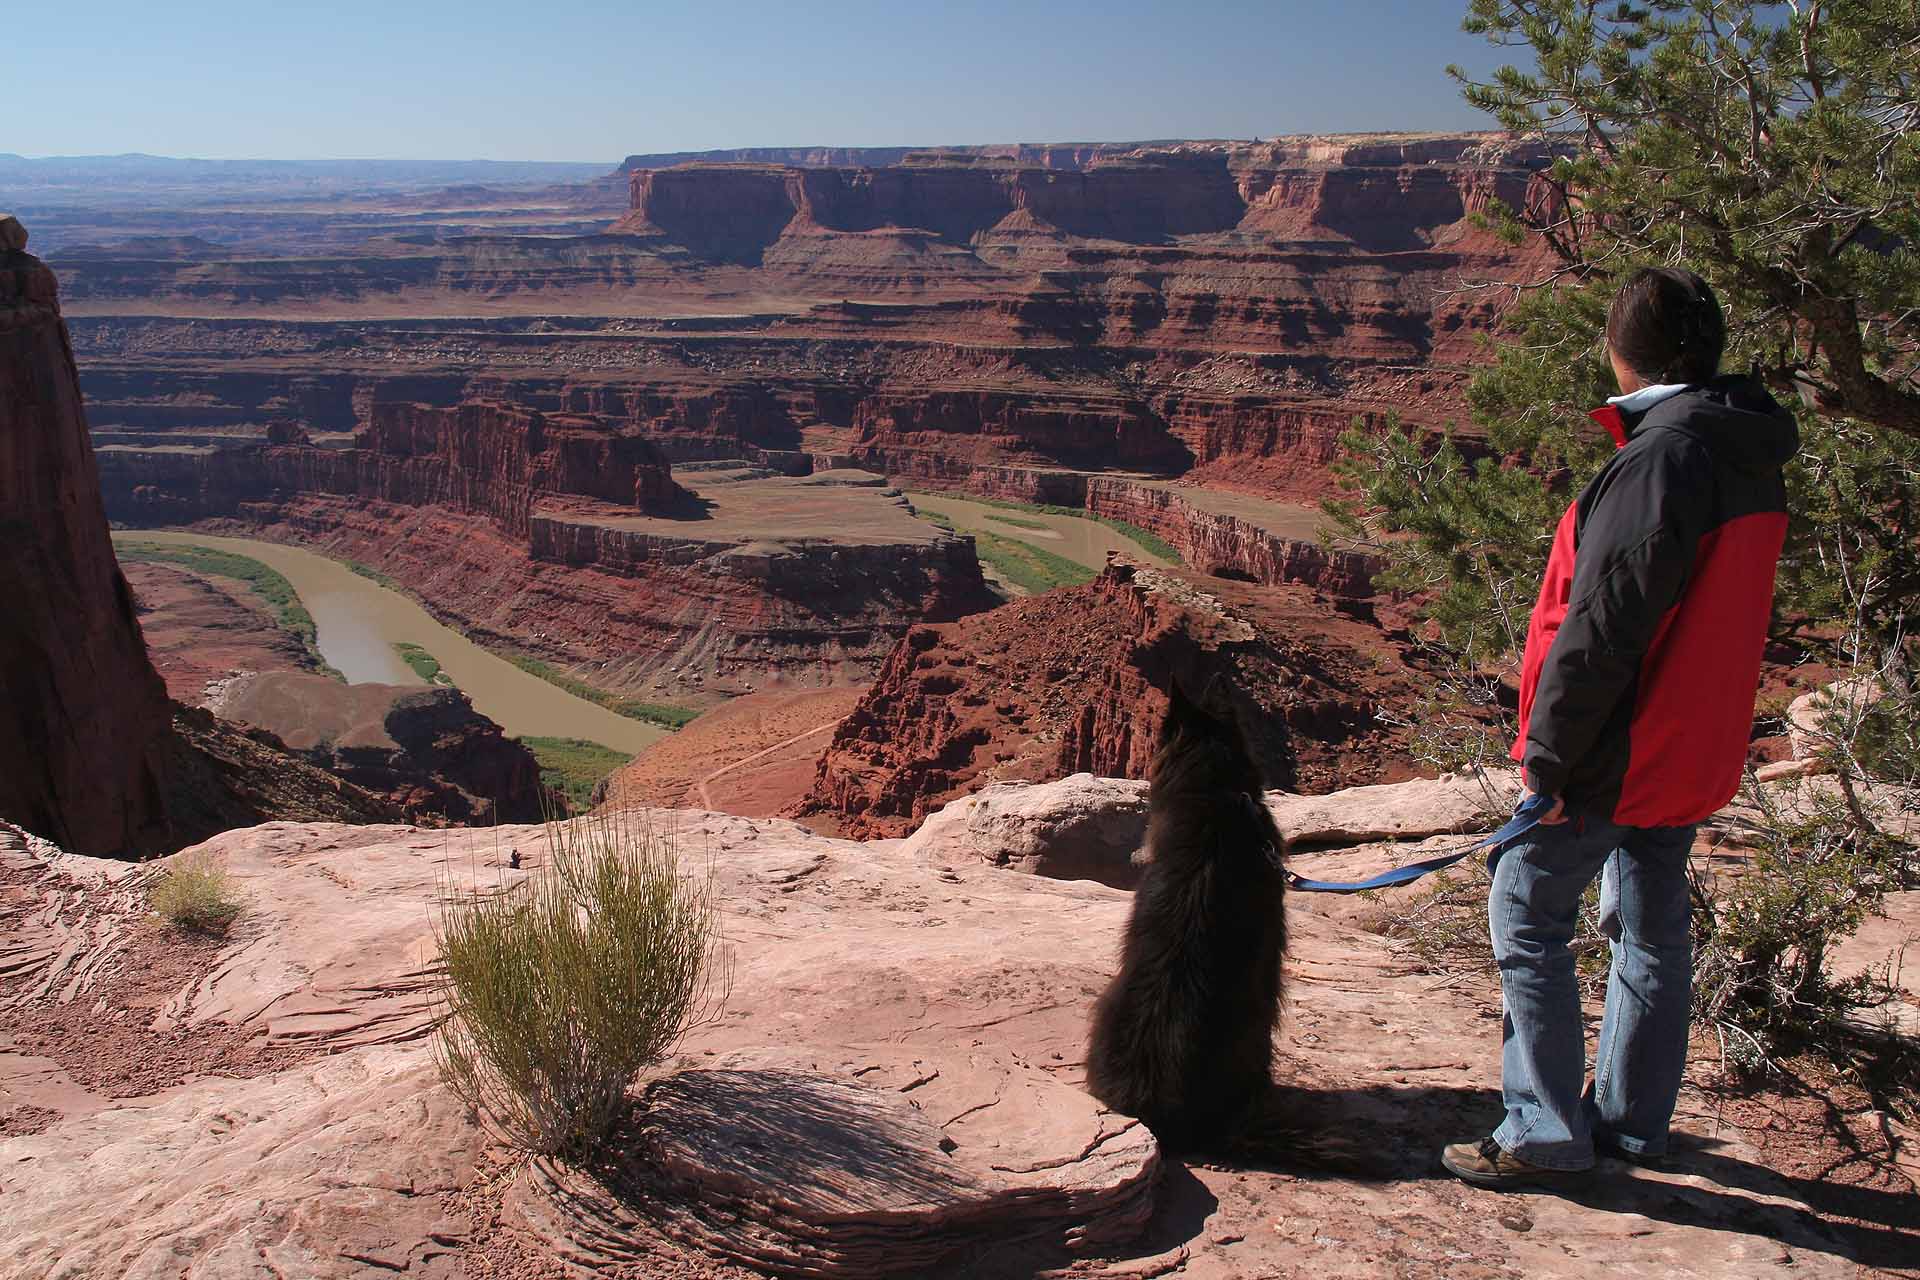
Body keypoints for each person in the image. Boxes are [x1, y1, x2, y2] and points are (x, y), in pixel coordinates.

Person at [1441, 266, 1799, 1188]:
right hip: (1692, 745)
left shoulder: (1661, 456)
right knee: (1648, 929)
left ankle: (1545, 1129)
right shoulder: (1743, 446)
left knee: (1525, 905)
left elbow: (1600, 628)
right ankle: (1635, 1129)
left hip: (1623, 750)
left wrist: (1548, 761)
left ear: (1620, 350)